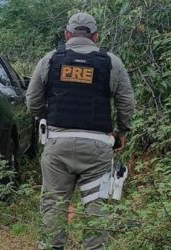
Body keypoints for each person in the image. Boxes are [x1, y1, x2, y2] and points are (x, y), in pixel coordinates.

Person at [26, 12, 135, 250]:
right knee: (96, 209)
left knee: (54, 205)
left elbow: (32, 101)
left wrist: (47, 117)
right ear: (95, 36)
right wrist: (122, 131)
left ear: (67, 35)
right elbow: (126, 103)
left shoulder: (50, 60)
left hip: (57, 145)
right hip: (97, 148)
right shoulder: (112, 62)